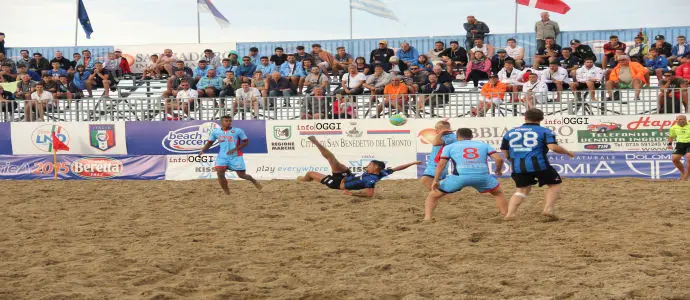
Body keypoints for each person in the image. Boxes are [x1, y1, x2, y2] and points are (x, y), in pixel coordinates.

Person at [501, 108, 576, 220]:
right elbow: (553, 147)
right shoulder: (545, 131)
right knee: (554, 185)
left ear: (525, 118)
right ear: (541, 119)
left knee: (521, 190)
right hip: (540, 165)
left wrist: (509, 158)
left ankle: (510, 214)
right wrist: (568, 152)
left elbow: (504, 149)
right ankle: (548, 209)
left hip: (518, 166)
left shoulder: (510, 132)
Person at [424, 128, 508, 220]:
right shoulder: (483, 145)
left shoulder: (450, 146)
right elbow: (499, 159)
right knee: (498, 193)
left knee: (432, 196)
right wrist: (498, 170)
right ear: (471, 137)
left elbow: (441, 165)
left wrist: (435, 180)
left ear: (457, 137)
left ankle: (427, 218)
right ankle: (506, 215)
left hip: (459, 177)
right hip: (482, 176)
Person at [298, 136, 420, 198]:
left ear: (376, 168)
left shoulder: (371, 180)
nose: (367, 166)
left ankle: (304, 180)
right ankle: (316, 142)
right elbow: (398, 168)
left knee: (310, 173)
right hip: (346, 175)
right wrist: (413, 163)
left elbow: (369, 194)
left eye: (370, 165)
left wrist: (352, 194)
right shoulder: (382, 172)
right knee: (332, 158)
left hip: (337, 183)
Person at [198, 116, 263, 195]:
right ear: (221, 122)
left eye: (230, 121)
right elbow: (210, 143)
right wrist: (203, 151)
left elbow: (246, 142)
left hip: (236, 156)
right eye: (226, 121)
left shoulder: (237, 131)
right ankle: (227, 191)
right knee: (220, 173)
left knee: (242, 175)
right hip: (222, 157)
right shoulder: (216, 131)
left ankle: (253, 181)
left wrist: (234, 149)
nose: (228, 122)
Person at [420, 120, 457, 190]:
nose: (436, 131)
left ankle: (438, 197)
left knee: (425, 180)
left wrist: (441, 133)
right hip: (434, 164)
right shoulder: (445, 135)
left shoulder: (450, 137)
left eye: (437, 129)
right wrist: (441, 133)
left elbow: (435, 143)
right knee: (434, 185)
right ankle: (439, 197)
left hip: (438, 164)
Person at [668, 115, 690, 180]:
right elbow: (671, 136)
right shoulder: (673, 128)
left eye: (680, 119)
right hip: (680, 144)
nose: (678, 121)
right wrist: (669, 144)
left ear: (685, 120)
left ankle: (687, 175)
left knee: (689, 157)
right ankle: (683, 172)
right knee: (674, 159)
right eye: (677, 119)